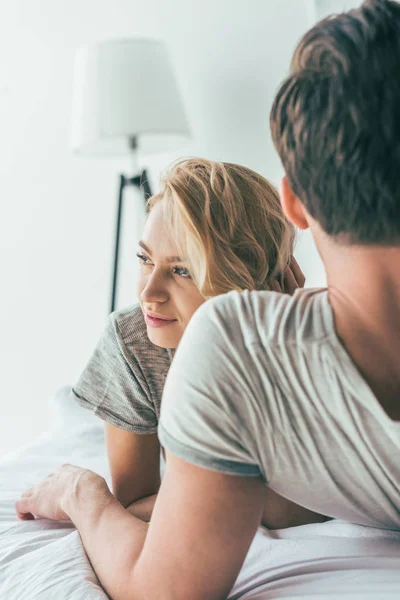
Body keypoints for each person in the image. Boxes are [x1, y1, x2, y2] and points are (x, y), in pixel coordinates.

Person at [15, 1, 400, 599]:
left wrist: (77, 493)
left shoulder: (238, 342)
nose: (149, 291)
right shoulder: (148, 346)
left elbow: (165, 590)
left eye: (182, 269)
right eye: (145, 260)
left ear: (293, 205)